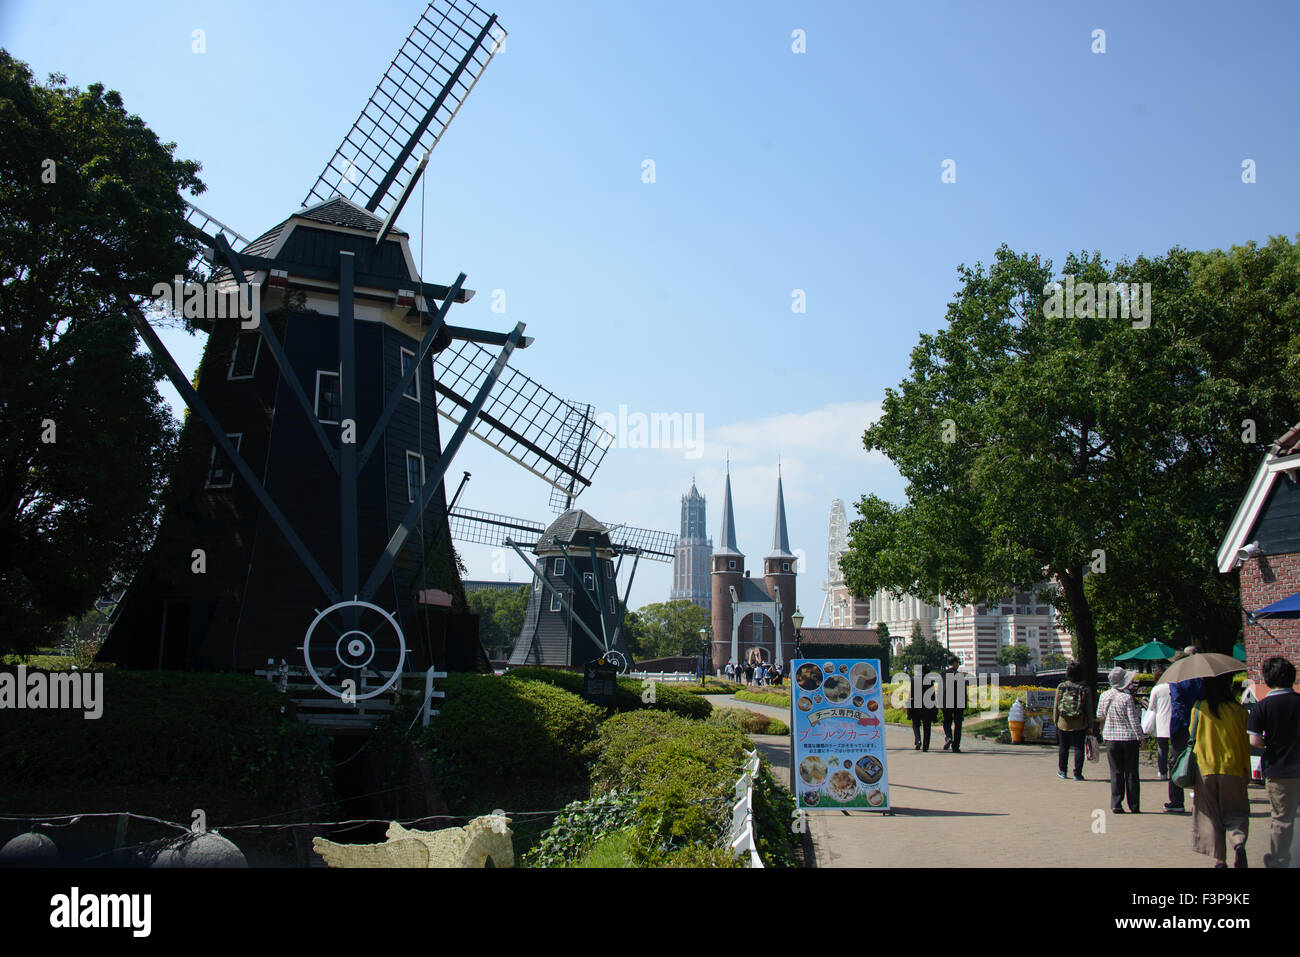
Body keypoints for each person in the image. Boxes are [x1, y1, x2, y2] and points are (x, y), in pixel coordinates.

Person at [1190, 673, 1251, 868]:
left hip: (1205, 768)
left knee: (1210, 814)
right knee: (1236, 810)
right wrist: (1246, 769)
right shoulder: (1239, 710)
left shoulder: (1198, 708)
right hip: (1233, 767)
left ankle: (1220, 859)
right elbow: (1245, 742)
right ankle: (1238, 843)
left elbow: (1191, 737)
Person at [1247, 656, 1300, 868]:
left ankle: (1279, 859)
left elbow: (1255, 740)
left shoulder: (1262, 707)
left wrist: (1271, 743)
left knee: (1282, 820)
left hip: (1279, 771)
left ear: (1267, 679)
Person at [1097, 666, 1143, 813]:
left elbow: (1100, 716)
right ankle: (1134, 805)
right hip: (1128, 738)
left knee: (1115, 771)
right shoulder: (1127, 698)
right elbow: (1133, 720)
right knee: (1131, 772)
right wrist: (1141, 738)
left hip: (1111, 738)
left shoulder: (1104, 696)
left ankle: (1116, 803)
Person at [1053, 661, 1094, 780]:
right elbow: (1089, 708)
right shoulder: (1084, 688)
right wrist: (1090, 724)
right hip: (1079, 722)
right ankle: (1077, 773)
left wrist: (1055, 720)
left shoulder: (1062, 686)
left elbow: (1056, 705)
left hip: (1063, 722)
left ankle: (1062, 771)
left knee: (1063, 747)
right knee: (1079, 747)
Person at [1148, 663, 1173, 783]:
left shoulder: (1156, 689)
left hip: (1161, 722)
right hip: (1174, 722)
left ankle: (1163, 772)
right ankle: (1174, 772)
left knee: (1162, 749)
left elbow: (1151, 706)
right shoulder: (1173, 687)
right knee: (1174, 749)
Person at [940, 656, 967, 753]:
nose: (958, 664)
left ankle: (948, 737)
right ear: (955, 663)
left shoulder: (942, 674)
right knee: (958, 725)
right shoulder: (959, 675)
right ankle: (955, 747)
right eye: (958, 663)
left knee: (946, 722)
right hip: (958, 703)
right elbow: (963, 691)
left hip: (946, 702)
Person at [908, 667, 939, 751]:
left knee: (915, 724)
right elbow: (932, 696)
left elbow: (911, 694)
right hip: (927, 706)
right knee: (927, 726)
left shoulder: (914, 680)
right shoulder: (930, 681)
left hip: (916, 705)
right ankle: (926, 746)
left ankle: (918, 740)